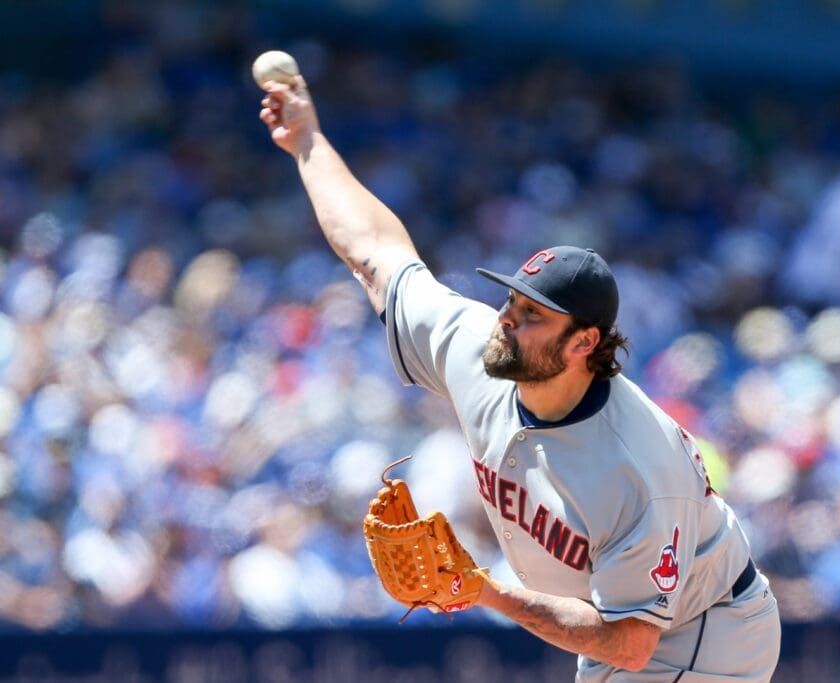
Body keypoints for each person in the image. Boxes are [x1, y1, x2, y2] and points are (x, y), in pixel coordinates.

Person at [259, 74, 781, 682]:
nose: (507, 320)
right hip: (620, 621)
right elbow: (376, 254)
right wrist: (308, 143)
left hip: (708, 632)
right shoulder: (478, 349)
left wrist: (482, 590)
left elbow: (632, 644)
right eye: (511, 301)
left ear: (585, 342)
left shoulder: (637, 464)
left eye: (532, 315)